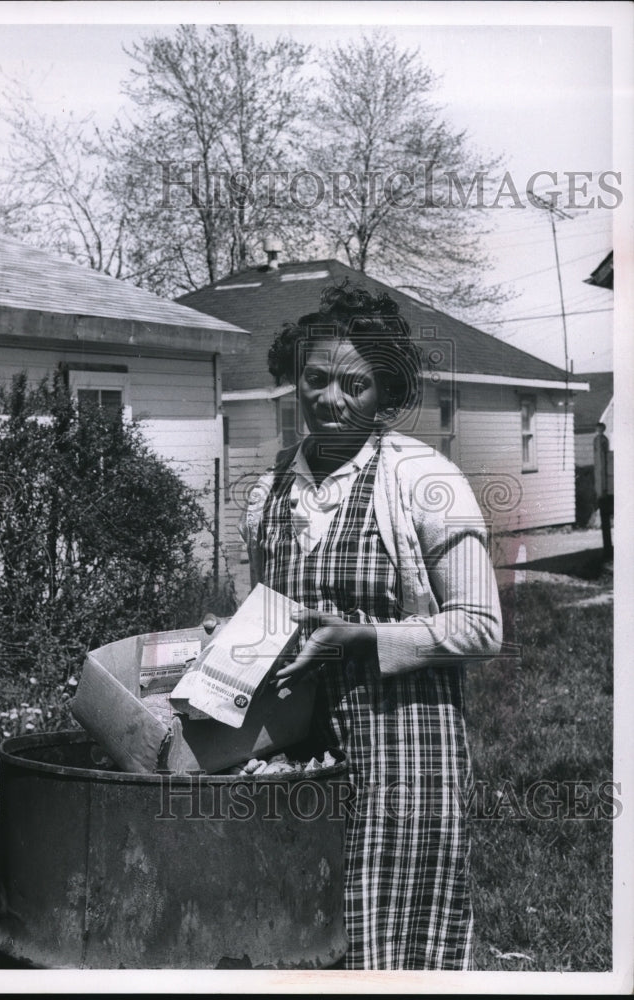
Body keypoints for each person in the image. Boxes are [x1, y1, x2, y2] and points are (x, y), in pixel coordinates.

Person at [240, 282, 503, 970]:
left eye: (353, 385)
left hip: (405, 754)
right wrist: (235, 632)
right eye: (315, 379)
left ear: (382, 395)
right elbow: (269, 616)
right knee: (294, 934)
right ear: (292, 382)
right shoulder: (269, 492)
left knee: (391, 948)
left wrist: (363, 639)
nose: (330, 399)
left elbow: (480, 627)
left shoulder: (421, 480)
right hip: (293, 753)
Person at [593, 422, 613, 558]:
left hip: (604, 484)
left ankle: (608, 551)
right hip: (602, 482)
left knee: (606, 518)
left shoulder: (602, 440)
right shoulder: (599, 440)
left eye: (599, 428)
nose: (597, 430)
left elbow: (603, 461)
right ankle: (607, 550)